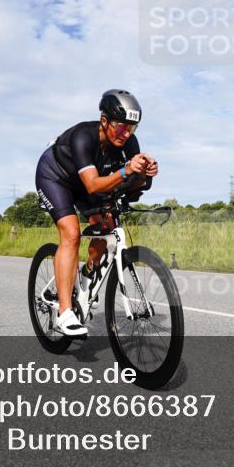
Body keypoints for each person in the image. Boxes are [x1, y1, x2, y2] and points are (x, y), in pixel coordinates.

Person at [35, 90, 158, 337]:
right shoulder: (83, 137)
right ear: (104, 120)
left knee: (107, 226)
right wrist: (125, 172)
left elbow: (132, 184)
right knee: (71, 233)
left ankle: (86, 276)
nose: (126, 134)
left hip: (88, 184)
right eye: (121, 127)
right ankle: (65, 313)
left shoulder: (129, 143)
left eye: (132, 128)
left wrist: (144, 175)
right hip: (55, 178)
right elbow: (93, 185)